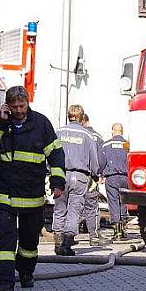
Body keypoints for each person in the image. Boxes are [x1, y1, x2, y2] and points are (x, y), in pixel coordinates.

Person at [0, 86, 65, 291]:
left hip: (31, 195)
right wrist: (0, 122)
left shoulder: (41, 123)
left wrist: (57, 182)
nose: (18, 110)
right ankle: (5, 282)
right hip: (5, 194)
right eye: (14, 106)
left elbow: (55, 154)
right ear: (8, 105)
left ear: (28, 102)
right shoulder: (0, 122)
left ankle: (25, 273)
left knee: (28, 241)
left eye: (21, 105)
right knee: (5, 240)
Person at [51, 104, 99, 256]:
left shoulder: (58, 132)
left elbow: (50, 152)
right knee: (74, 210)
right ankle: (67, 243)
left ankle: (57, 241)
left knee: (59, 208)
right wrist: (96, 174)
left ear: (68, 116)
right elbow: (94, 160)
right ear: (82, 118)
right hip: (79, 177)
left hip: (60, 174)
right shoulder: (87, 135)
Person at [81, 114, 106, 246]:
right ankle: (94, 236)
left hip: (72, 175)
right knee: (91, 205)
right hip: (90, 176)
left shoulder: (71, 134)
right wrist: (98, 173)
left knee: (72, 205)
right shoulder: (96, 137)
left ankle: (66, 237)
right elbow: (101, 158)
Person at [102, 123, 130, 239]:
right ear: (122, 132)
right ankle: (123, 228)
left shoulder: (106, 144)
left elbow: (101, 161)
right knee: (123, 201)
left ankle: (117, 231)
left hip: (111, 177)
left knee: (113, 202)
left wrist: (100, 173)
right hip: (124, 177)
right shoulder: (127, 145)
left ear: (112, 131)